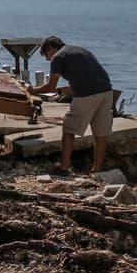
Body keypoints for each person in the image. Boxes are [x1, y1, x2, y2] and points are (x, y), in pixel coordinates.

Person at [27, 36, 114, 175]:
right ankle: (96, 170)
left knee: (69, 129)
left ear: (51, 49)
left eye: (46, 55)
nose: (48, 59)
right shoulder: (80, 50)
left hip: (87, 95)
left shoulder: (58, 57)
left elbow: (50, 86)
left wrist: (33, 90)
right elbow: (86, 78)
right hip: (107, 92)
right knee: (101, 133)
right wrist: (62, 90)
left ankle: (64, 167)